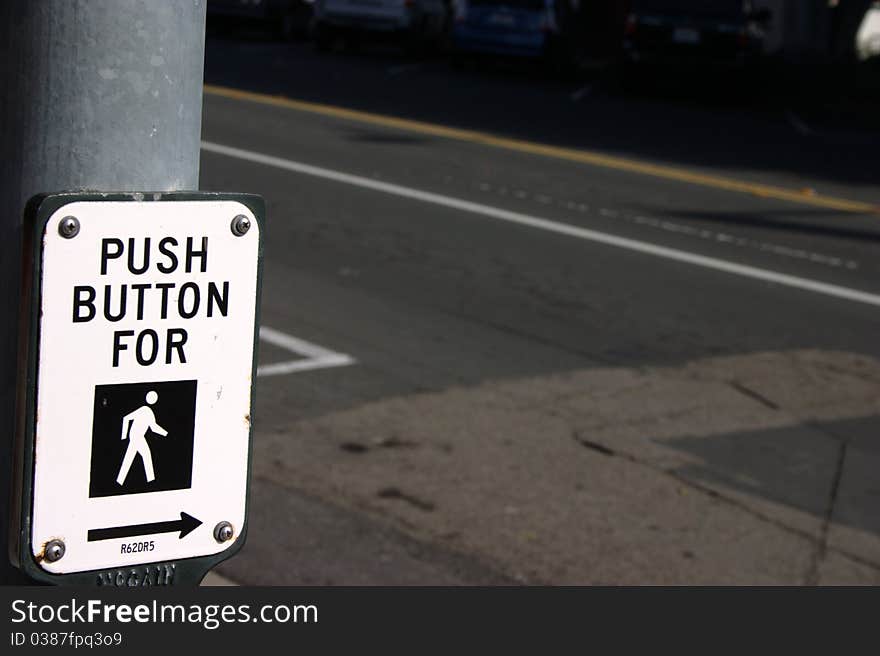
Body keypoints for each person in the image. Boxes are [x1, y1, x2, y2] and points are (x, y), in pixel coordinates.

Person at [116, 390, 168, 486]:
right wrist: (123, 436)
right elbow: (126, 418)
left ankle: (121, 481)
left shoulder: (148, 412)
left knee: (135, 456)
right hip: (137, 436)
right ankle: (150, 481)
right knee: (141, 456)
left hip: (137, 436)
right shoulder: (145, 410)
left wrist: (165, 434)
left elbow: (153, 428)